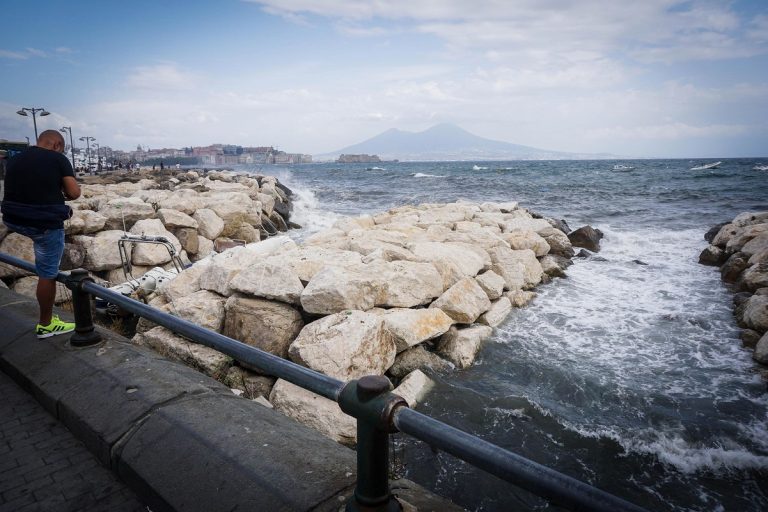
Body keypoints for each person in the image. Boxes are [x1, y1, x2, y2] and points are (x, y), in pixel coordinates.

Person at [1, 130, 81, 338]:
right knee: (47, 273)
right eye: (61, 148)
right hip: (43, 224)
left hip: (13, 219)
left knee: (41, 260)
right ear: (56, 145)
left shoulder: (15, 160)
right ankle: (46, 324)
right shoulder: (58, 158)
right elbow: (74, 193)